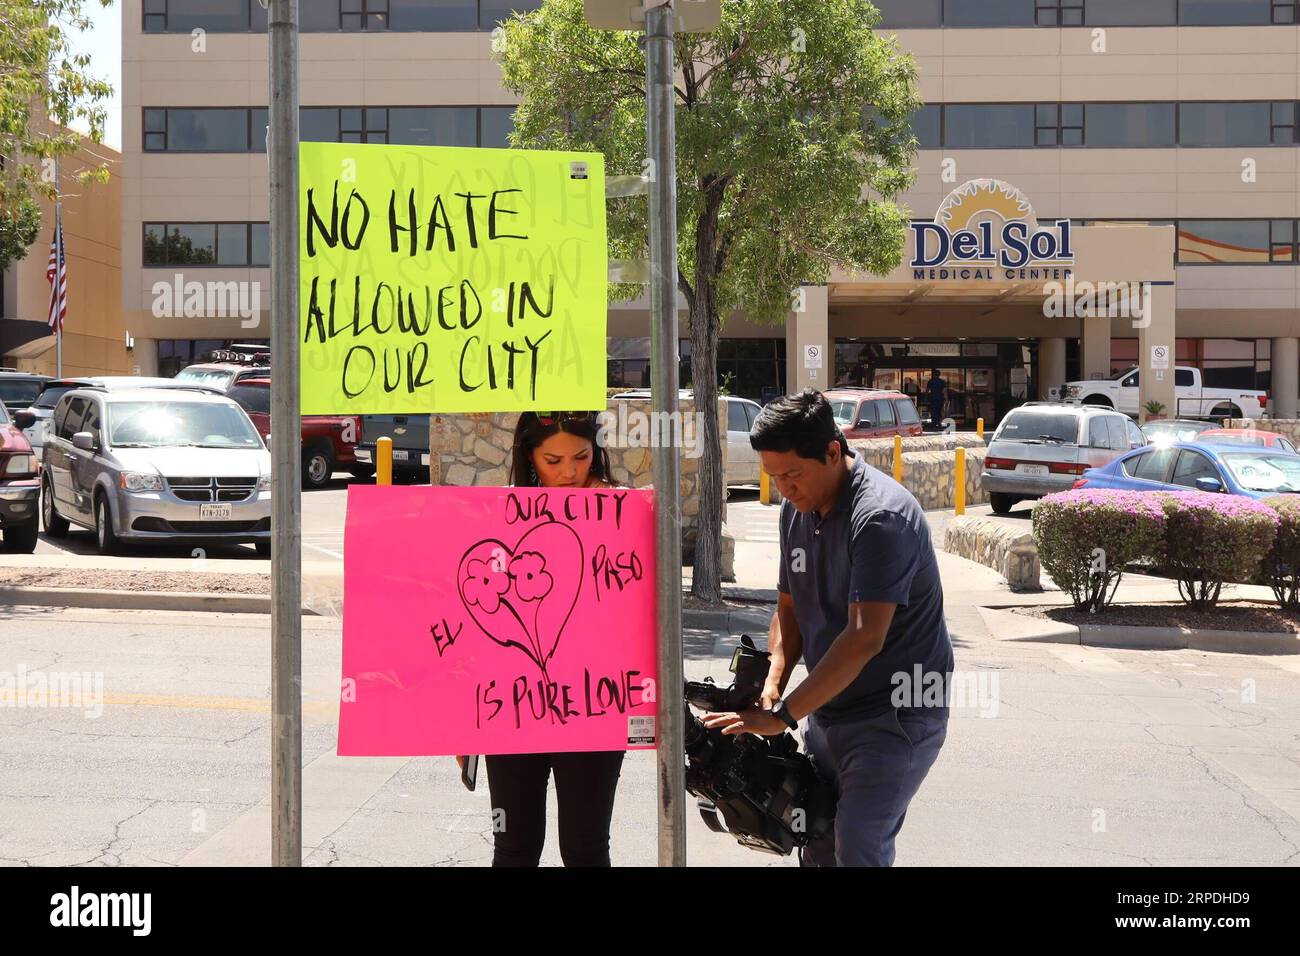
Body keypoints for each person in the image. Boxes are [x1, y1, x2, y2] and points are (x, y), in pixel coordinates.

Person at [704, 389, 953, 866]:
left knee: (858, 844)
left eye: (794, 474)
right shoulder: (793, 514)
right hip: (828, 712)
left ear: (833, 452)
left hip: (896, 715)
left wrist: (783, 717)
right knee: (815, 836)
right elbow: (790, 611)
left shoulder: (879, 517)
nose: (785, 489)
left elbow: (863, 639)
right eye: (774, 477)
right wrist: (772, 684)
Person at [464, 410, 626, 866]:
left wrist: (616, 511)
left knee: (586, 848)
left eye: (581, 457)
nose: (569, 472)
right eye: (553, 460)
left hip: (594, 704)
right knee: (513, 846)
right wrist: (460, 722)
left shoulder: (623, 511)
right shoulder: (498, 517)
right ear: (530, 457)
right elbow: (473, 623)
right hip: (508, 708)